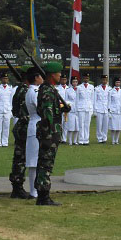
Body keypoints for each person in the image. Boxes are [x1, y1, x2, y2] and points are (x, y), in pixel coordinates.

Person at [34, 61, 72, 205]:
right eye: (58, 73)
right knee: (45, 164)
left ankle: (42, 194)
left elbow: (53, 110)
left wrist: (63, 109)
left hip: (50, 132)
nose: (60, 75)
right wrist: (49, 132)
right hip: (49, 133)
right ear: (51, 75)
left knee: (45, 163)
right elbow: (47, 114)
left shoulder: (49, 89)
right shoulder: (48, 90)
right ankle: (43, 196)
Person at [8, 69, 33, 198]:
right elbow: (24, 112)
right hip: (25, 127)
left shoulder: (20, 89)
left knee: (20, 157)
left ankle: (17, 187)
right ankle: (18, 187)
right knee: (21, 158)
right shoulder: (25, 91)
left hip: (21, 126)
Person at [23, 67, 46, 198]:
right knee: (33, 161)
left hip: (37, 125)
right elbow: (41, 108)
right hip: (36, 125)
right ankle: (33, 191)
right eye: (40, 76)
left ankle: (36, 189)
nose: (42, 78)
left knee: (37, 161)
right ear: (36, 78)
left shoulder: (33, 91)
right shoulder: (34, 92)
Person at [75, 73, 95, 145]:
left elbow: (92, 99)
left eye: (87, 78)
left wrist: (92, 109)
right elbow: (77, 99)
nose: (86, 79)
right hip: (81, 107)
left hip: (88, 107)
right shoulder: (79, 87)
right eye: (85, 78)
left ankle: (86, 140)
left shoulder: (92, 87)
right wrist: (77, 109)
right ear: (83, 78)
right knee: (81, 124)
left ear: (88, 79)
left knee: (87, 124)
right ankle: (81, 140)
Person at [94, 75, 111, 143]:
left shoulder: (109, 89)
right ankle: (99, 138)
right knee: (99, 125)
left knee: (105, 125)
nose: (104, 81)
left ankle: (104, 138)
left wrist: (109, 108)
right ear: (101, 80)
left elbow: (110, 100)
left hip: (106, 108)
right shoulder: (97, 88)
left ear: (107, 81)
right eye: (103, 80)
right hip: (99, 108)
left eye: (105, 80)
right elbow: (95, 99)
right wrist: (94, 110)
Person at [108, 77, 121, 144]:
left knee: (119, 127)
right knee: (113, 127)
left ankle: (116, 140)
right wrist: (109, 110)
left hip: (120, 110)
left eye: (119, 82)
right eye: (117, 82)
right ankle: (113, 140)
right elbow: (109, 101)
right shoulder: (111, 91)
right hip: (113, 111)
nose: (118, 84)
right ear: (114, 83)